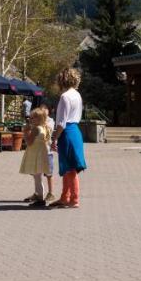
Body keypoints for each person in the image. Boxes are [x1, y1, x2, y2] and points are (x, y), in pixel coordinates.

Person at [51, 67, 87, 208]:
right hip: (75, 132)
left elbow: (61, 122)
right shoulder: (77, 95)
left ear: (62, 80)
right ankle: (65, 197)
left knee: (69, 168)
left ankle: (74, 199)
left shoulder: (65, 97)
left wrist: (54, 138)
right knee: (69, 167)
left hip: (67, 133)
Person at [19, 106, 52, 208]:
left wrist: (25, 132)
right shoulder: (45, 127)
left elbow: (29, 142)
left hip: (35, 154)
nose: (30, 119)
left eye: (33, 117)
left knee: (37, 177)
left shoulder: (36, 129)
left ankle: (40, 198)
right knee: (37, 176)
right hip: (41, 154)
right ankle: (38, 196)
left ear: (39, 119)